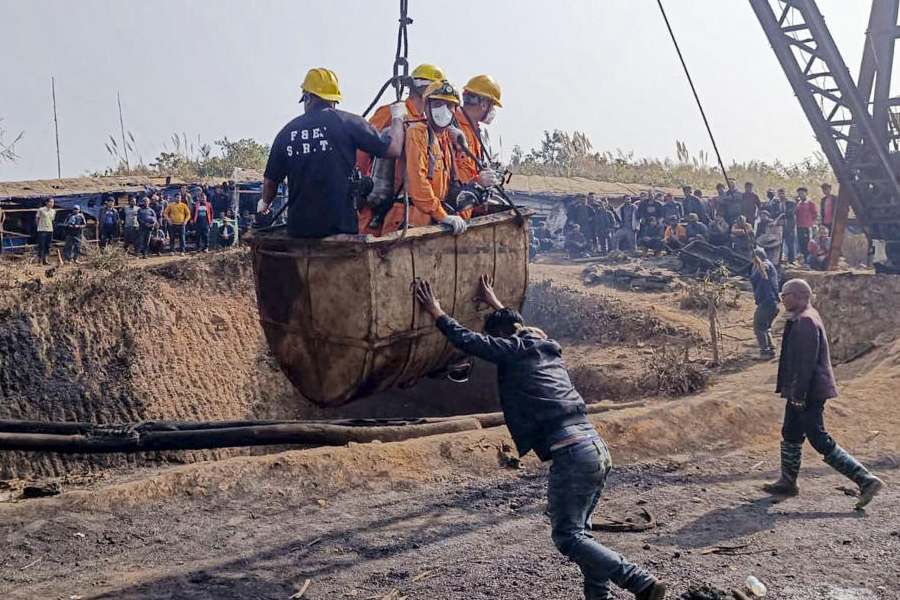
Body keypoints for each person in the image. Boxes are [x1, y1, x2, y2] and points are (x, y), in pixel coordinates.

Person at [414, 275, 667, 600]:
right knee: (582, 535)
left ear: (504, 339)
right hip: (594, 447)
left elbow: (469, 340)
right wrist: (497, 305)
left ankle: (640, 582)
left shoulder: (514, 351)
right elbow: (519, 329)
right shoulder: (546, 348)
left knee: (567, 537)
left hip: (573, 453)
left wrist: (436, 311)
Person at [762, 279, 884, 509]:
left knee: (818, 438)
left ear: (798, 295)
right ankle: (788, 482)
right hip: (802, 390)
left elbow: (805, 364)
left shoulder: (806, 321)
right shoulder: (802, 317)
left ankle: (866, 480)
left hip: (809, 391)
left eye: (785, 294)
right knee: (790, 433)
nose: (782, 299)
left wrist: (799, 394)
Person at [260, 67, 404, 239]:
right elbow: (393, 148)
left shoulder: (286, 132)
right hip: (340, 230)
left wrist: (265, 204)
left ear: (307, 97)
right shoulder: (349, 123)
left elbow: (270, 184)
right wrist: (397, 117)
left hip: (300, 231)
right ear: (334, 100)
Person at [380, 80, 467, 236]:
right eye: (438, 104)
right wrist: (443, 216)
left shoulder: (445, 138)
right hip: (408, 218)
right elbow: (418, 182)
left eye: (449, 106)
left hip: (430, 217)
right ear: (426, 106)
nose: (444, 110)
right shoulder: (417, 133)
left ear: (455, 110)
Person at [453, 74, 503, 196]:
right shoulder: (453, 128)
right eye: (492, 106)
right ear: (484, 104)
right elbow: (450, 179)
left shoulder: (475, 132)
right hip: (453, 208)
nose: (492, 111)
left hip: (469, 208)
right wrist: (478, 182)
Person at [750, 248, 779, 359]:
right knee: (765, 327)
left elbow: (764, 269)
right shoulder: (767, 265)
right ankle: (770, 349)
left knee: (759, 326)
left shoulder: (765, 266)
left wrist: (759, 264)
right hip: (772, 302)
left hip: (767, 302)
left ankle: (765, 352)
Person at [795, 187, 817, 263]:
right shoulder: (798, 204)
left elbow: (815, 214)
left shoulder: (810, 203)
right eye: (799, 193)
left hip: (807, 226)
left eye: (802, 193)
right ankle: (803, 260)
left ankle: (809, 261)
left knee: (808, 243)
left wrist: (811, 223)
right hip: (799, 226)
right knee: (801, 244)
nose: (801, 195)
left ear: (806, 193)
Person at [777, 188, 797, 264]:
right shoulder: (777, 204)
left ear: (785, 194)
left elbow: (790, 213)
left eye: (782, 193)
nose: (781, 195)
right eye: (779, 193)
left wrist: (782, 216)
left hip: (789, 226)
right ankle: (779, 259)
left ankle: (791, 260)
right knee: (779, 244)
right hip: (780, 227)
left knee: (790, 244)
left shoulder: (791, 203)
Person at [35, 198, 57, 265]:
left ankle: (45, 260)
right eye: (50, 202)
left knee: (48, 246)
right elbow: (37, 219)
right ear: (46, 202)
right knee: (41, 245)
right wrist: (38, 227)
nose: (52, 204)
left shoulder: (53, 211)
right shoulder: (41, 210)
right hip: (42, 230)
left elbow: (52, 220)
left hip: (50, 230)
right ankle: (40, 261)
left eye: (53, 202)